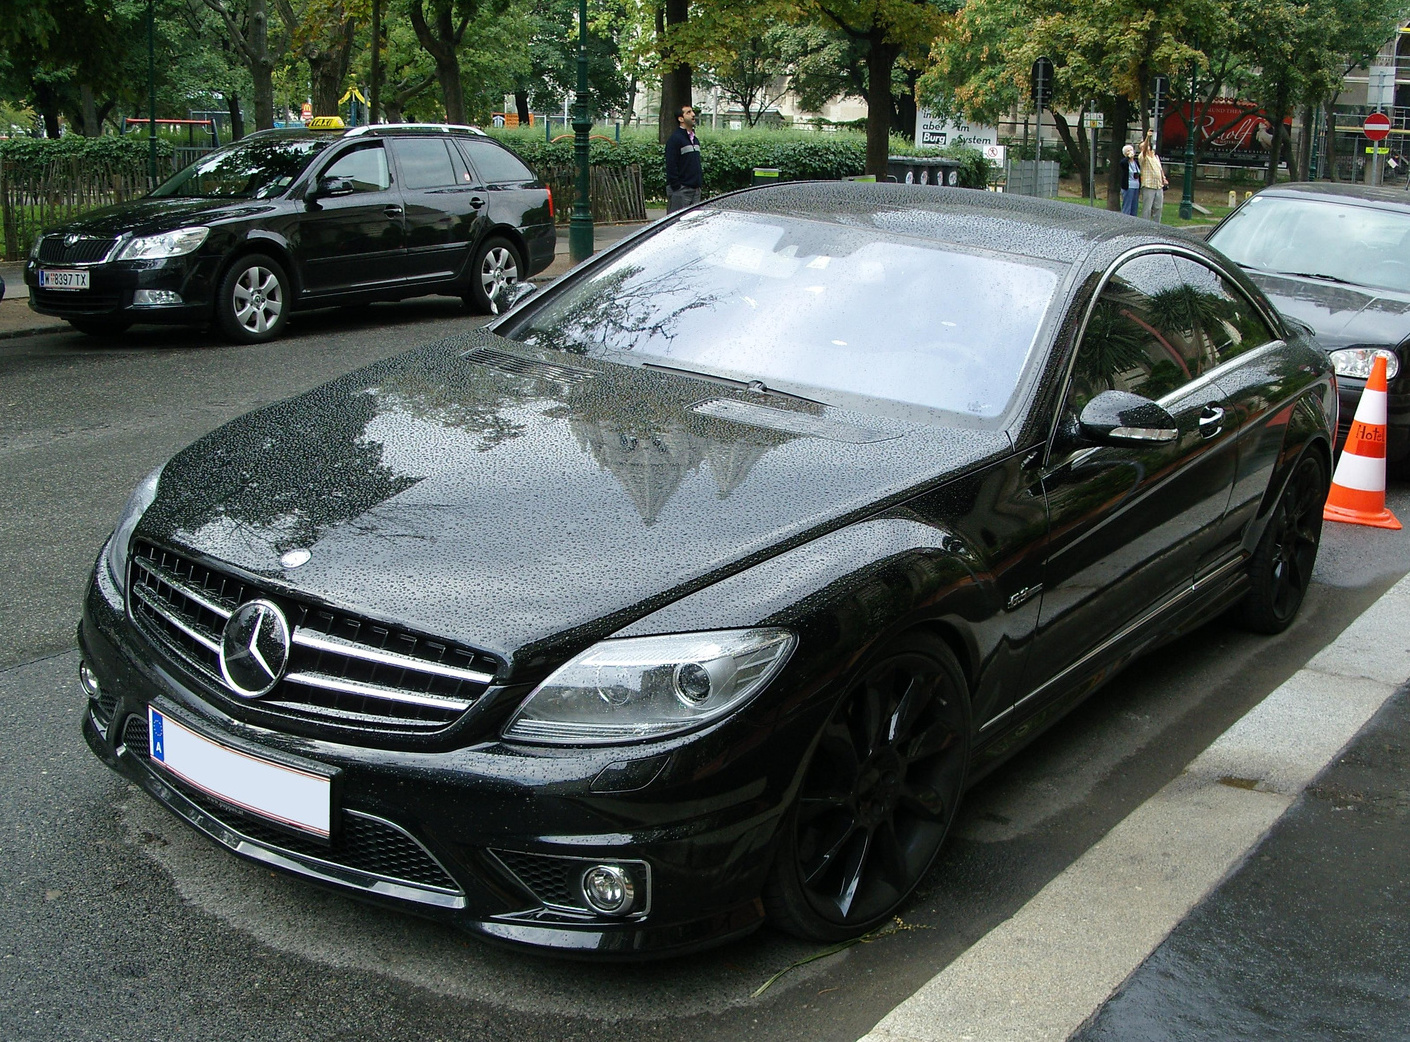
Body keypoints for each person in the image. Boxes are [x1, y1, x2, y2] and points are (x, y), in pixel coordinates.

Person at [665, 104, 702, 213]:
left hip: (695, 191)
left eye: (692, 112)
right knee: (677, 224)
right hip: (681, 191)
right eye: (688, 112)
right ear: (681, 119)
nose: (693, 115)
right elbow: (671, 165)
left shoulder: (695, 139)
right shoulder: (675, 139)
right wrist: (677, 187)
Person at [1138, 131, 1168, 222]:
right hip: (1149, 185)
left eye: (1146, 145)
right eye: (1142, 146)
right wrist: (1147, 137)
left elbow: (1160, 168)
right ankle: (1145, 225)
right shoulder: (1142, 157)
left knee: (1158, 207)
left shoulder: (1155, 157)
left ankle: (1156, 226)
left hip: (1158, 185)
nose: (1145, 147)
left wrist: (1164, 178)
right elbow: (1144, 151)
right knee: (1147, 208)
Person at [1121, 144, 1140, 216]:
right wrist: (1128, 157)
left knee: (1134, 206)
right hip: (1129, 186)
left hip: (1136, 186)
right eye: (1128, 151)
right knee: (1127, 206)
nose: (1130, 152)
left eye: (1131, 150)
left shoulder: (1136, 162)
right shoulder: (1125, 162)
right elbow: (1122, 163)